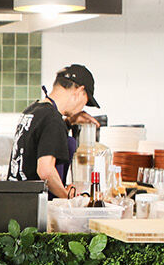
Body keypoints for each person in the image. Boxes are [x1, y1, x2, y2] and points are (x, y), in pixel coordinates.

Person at [8, 63, 101, 198]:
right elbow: (45, 171)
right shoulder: (53, 119)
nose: (82, 108)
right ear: (80, 92)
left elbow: (43, 138)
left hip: (15, 200)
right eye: (85, 102)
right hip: (32, 205)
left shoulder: (33, 110)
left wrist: (69, 122)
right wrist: (67, 198)